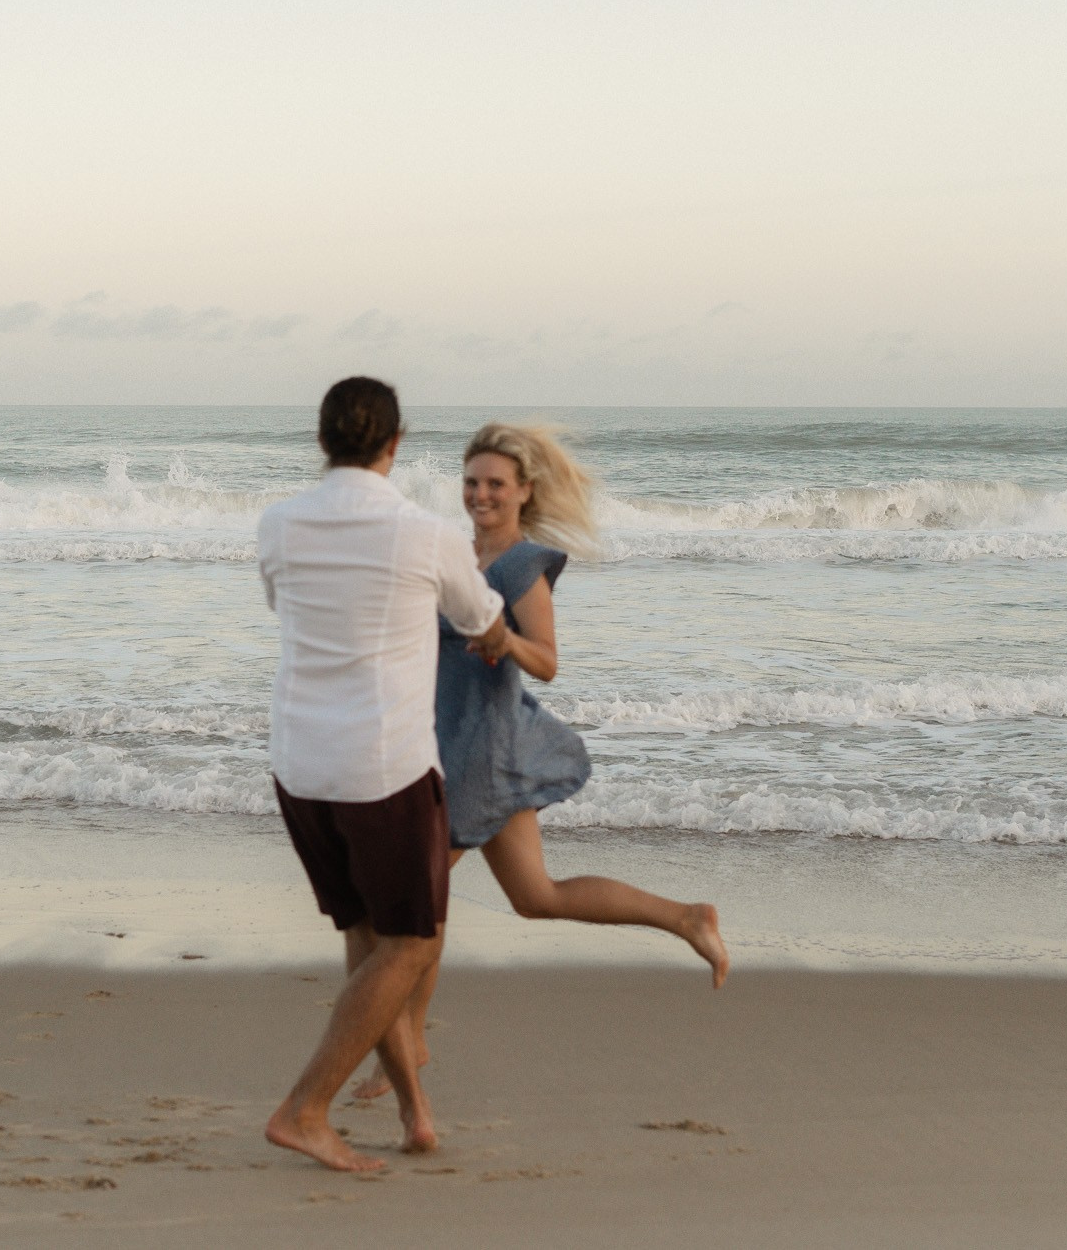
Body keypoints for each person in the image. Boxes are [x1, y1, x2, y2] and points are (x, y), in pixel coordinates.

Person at [352, 421, 728, 1102]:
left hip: (481, 753)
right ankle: (687, 917)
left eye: (495, 483)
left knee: (419, 903)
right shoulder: (453, 553)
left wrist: (503, 638)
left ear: (523, 490)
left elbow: (548, 662)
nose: (480, 494)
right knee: (536, 896)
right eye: (472, 482)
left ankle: (406, 1042)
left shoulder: (521, 568)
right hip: (454, 740)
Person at [256, 377, 509, 1174]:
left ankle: (414, 1112)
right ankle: (305, 1108)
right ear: (396, 444)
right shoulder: (425, 533)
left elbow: (282, 603)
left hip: (300, 764)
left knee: (367, 938)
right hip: (384, 770)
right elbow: (483, 620)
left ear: (322, 438)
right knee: (409, 944)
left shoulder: (280, 524)